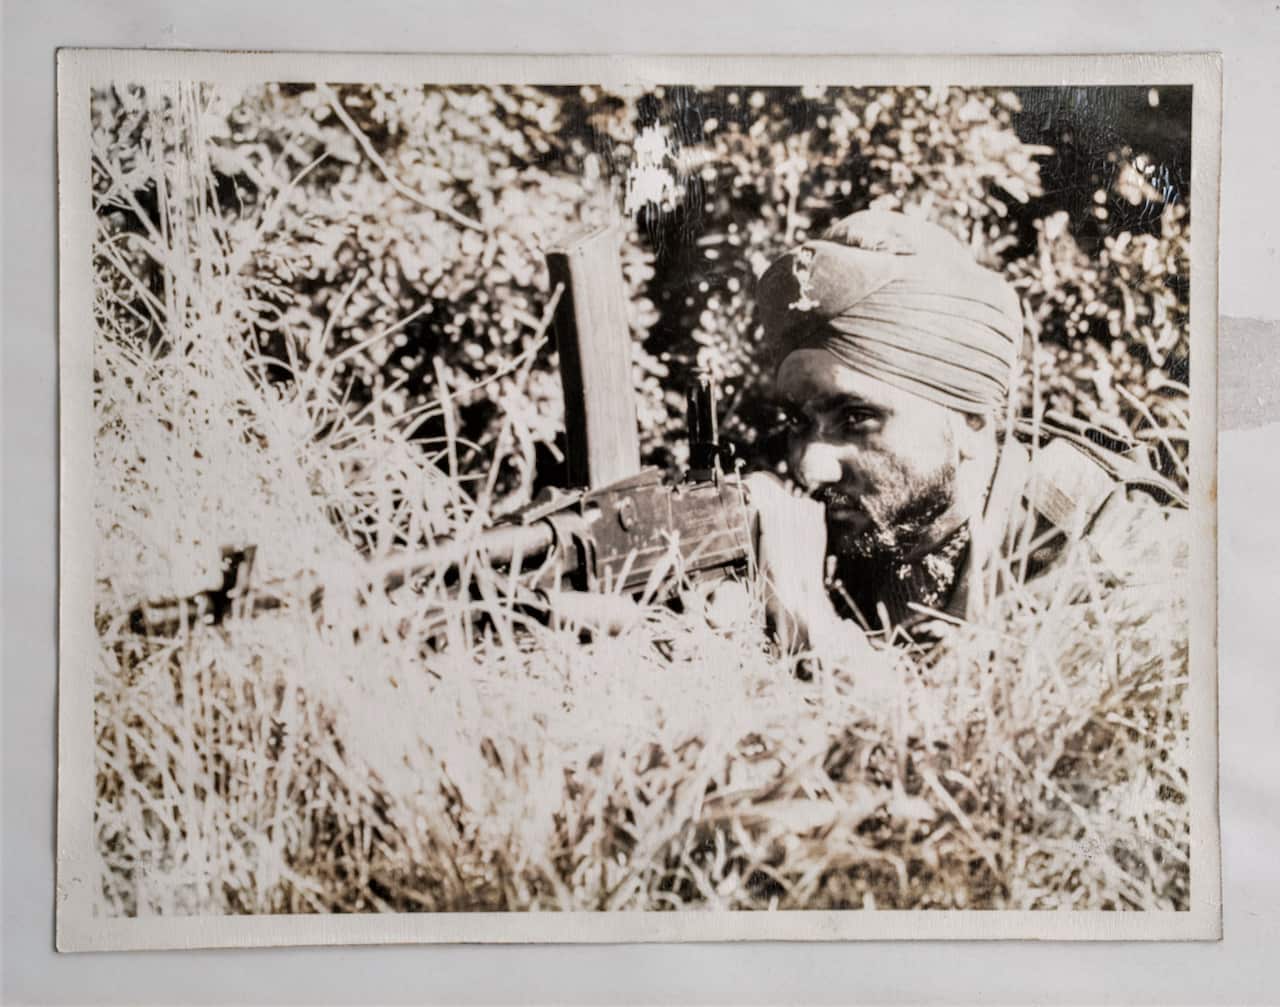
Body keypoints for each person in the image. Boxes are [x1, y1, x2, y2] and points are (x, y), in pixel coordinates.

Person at [744, 209, 1187, 658]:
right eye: (800, 422)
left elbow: (997, 722)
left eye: (857, 418)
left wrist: (813, 625)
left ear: (972, 420)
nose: (809, 465)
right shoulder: (863, 530)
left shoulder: (1108, 544)